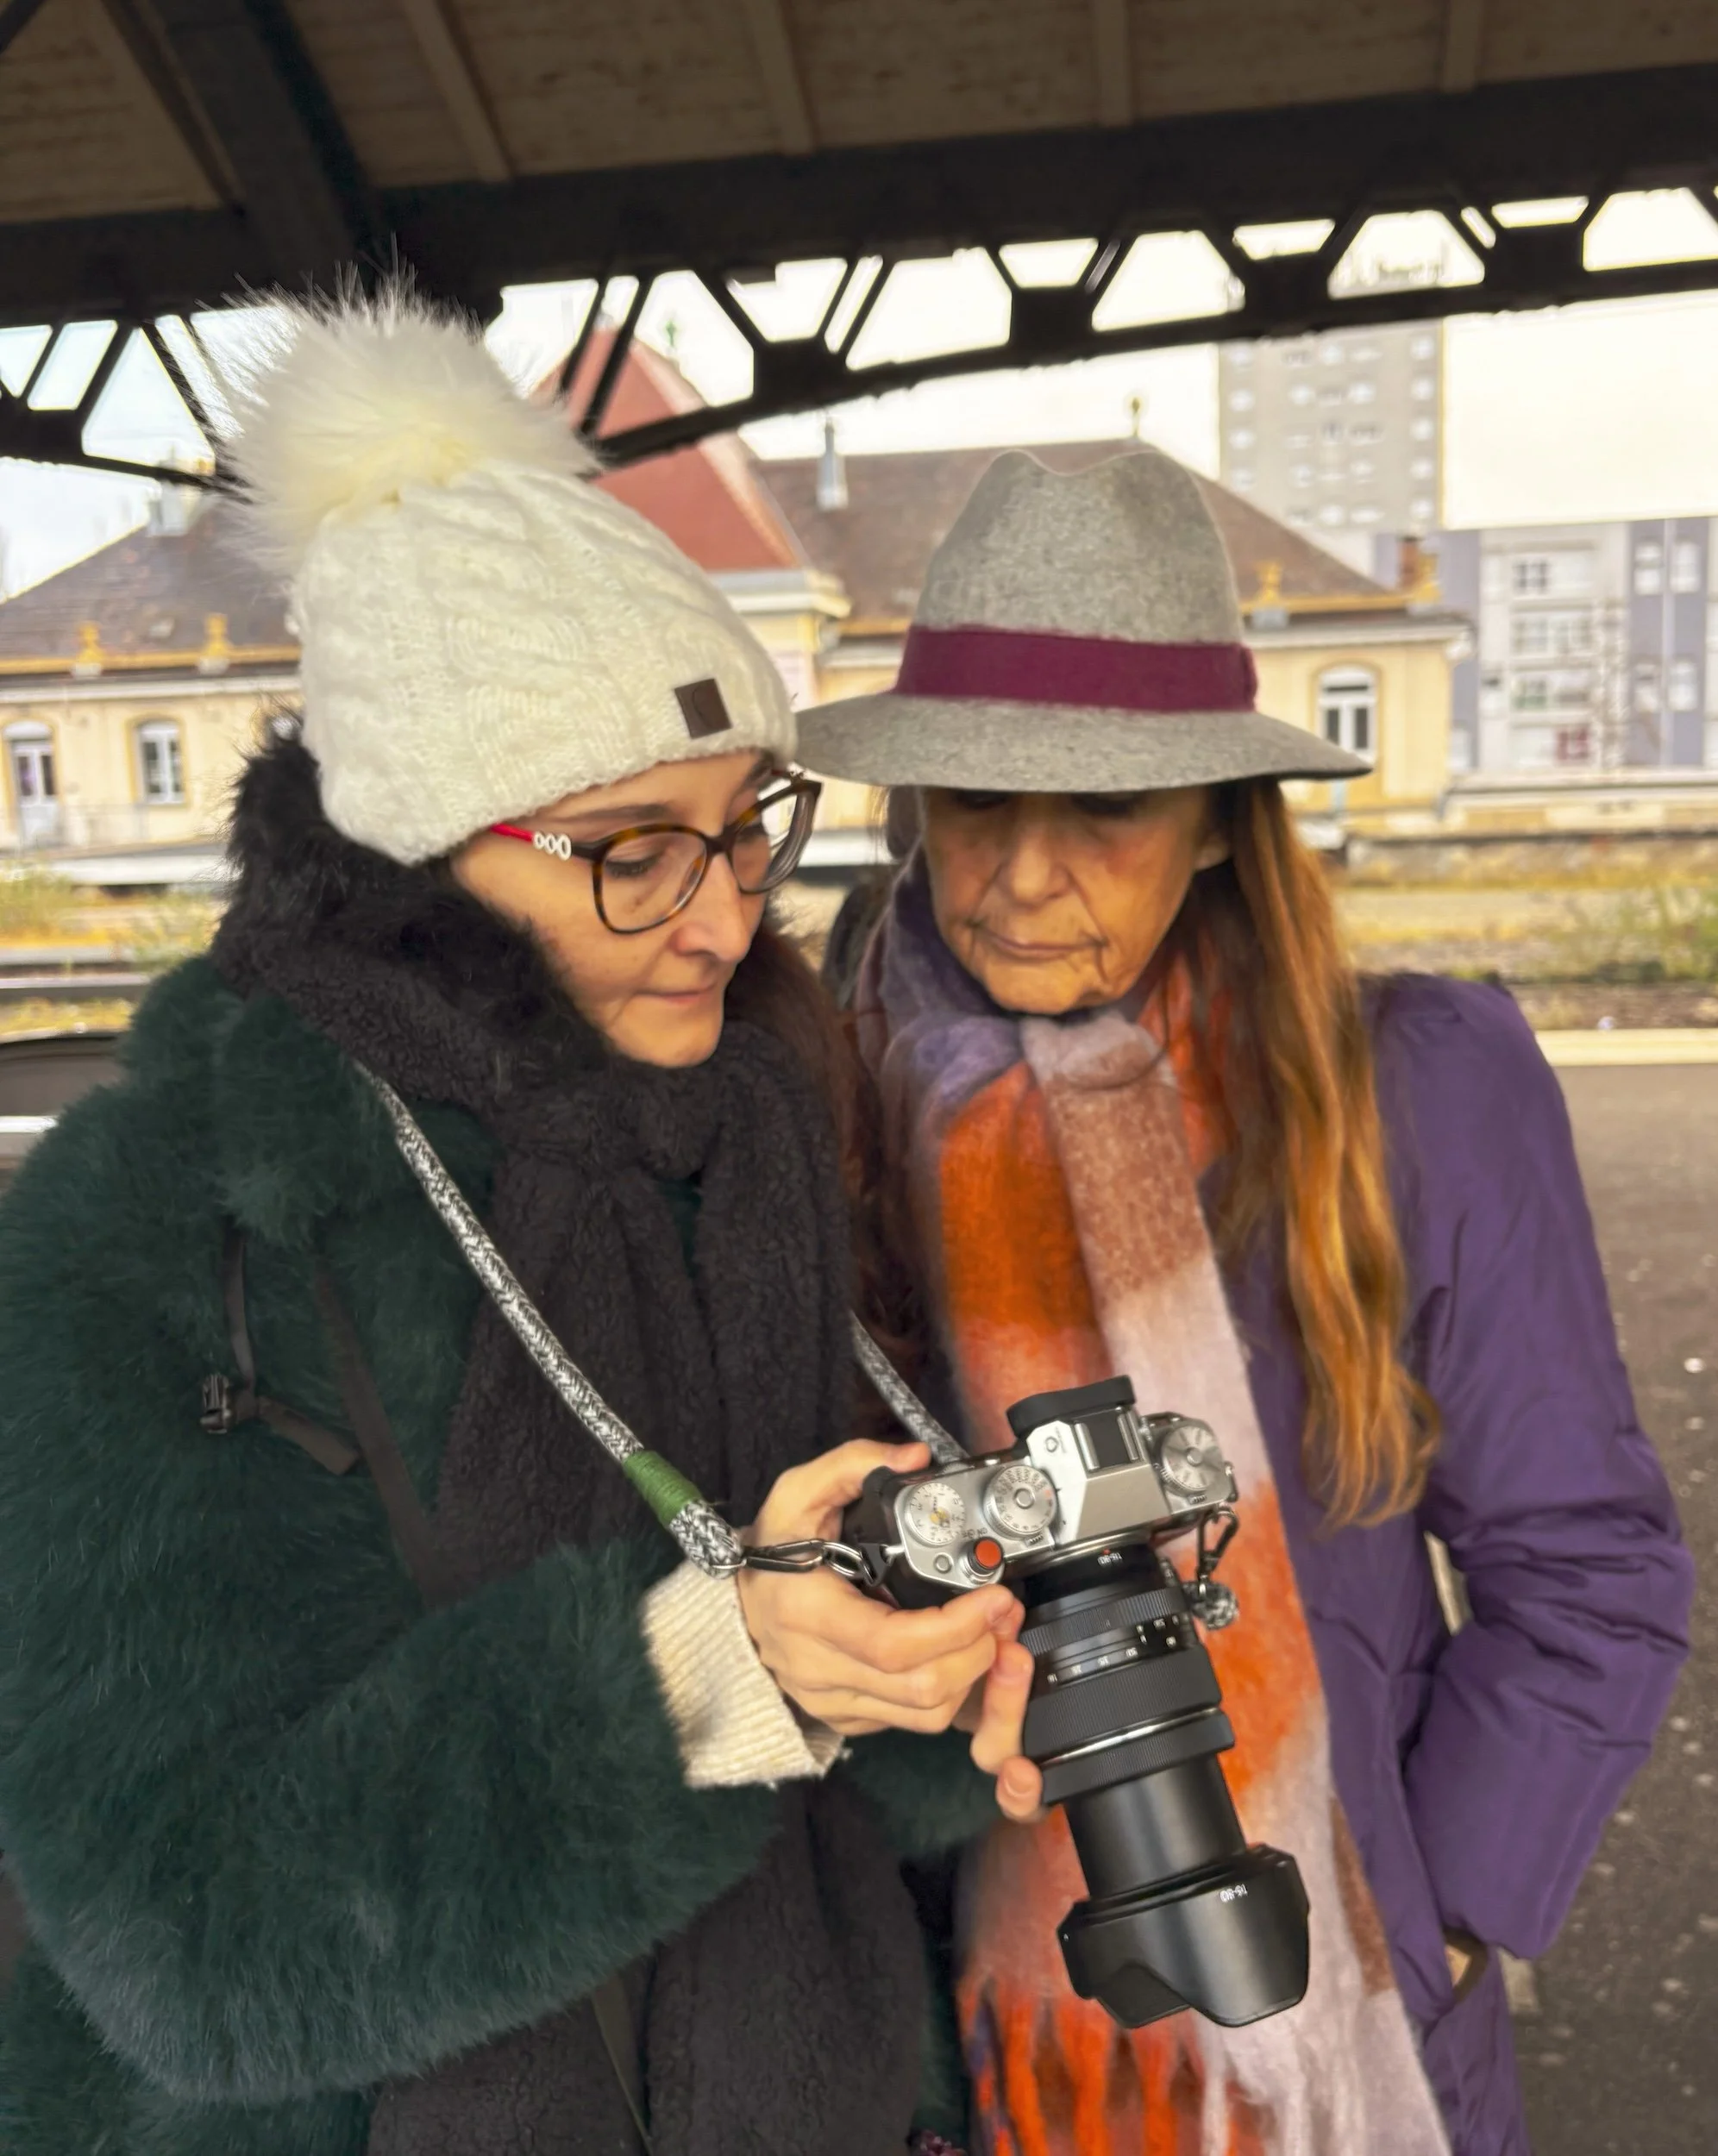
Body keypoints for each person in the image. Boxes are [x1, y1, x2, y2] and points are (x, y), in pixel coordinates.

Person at [0, 297, 1038, 2156]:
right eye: (633, 849)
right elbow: (183, 1936)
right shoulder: (156, 1218)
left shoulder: (748, 1129)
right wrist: (696, 1684)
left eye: (749, 822)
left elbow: (848, 1794)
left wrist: (940, 1659)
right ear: (422, 841)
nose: (723, 914)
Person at [797, 448, 1695, 2156]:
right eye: (977, 799)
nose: (1024, 875)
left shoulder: (1411, 1090)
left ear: (1219, 815)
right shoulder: (834, 1106)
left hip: (1347, 2051)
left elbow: (1589, 1570)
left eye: (1104, 808)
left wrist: (1429, 1924)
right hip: (967, 2058)